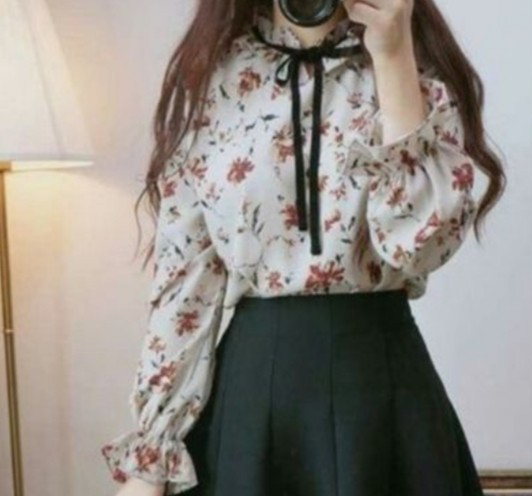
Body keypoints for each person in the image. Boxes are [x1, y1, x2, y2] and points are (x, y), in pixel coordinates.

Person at [100, 0, 506, 494]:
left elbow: (419, 245)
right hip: (254, 400)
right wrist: (151, 457)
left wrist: (393, 53)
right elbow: (185, 286)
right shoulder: (216, 78)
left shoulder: (414, 72)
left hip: (384, 396)